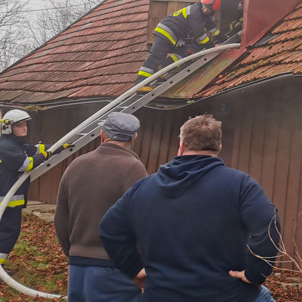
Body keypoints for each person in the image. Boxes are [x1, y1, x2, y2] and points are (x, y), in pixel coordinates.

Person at [100, 114, 281, 302]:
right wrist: (256, 273)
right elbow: (269, 224)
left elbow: (109, 229)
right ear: (219, 146)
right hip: (227, 294)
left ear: (181, 146)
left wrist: (134, 270)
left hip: (161, 294)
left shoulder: (144, 187)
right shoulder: (241, 185)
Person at [54, 113, 148, 302]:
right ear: (134, 137)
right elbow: (143, 221)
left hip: (78, 265)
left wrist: (74, 252)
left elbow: (60, 219)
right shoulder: (133, 168)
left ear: (102, 134)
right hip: (117, 268)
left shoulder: (76, 164)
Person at [0, 109, 70, 265]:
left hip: (9, 201)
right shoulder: (5, 146)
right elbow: (26, 164)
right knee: (8, 234)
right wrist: (44, 156)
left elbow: (38, 149)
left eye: (25, 124)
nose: (25, 128)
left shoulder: (16, 145)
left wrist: (58, 147)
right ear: (8, 128)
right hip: (5, 201)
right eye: (20, 125)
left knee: (6, 234)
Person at [135, 0, 221, 87]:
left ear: (212, 11)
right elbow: (199, 33)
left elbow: (211, 27)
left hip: (177, 36)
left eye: (208, 10)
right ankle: (141, 83)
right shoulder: (195, 13)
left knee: (190, 49)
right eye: (204, 7)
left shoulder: (204, 16)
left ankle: (162, 67)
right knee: (156, 55)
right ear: (201, 4)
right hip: (166, 31)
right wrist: (211, 46)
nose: (205, 10)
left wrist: (221, 37)